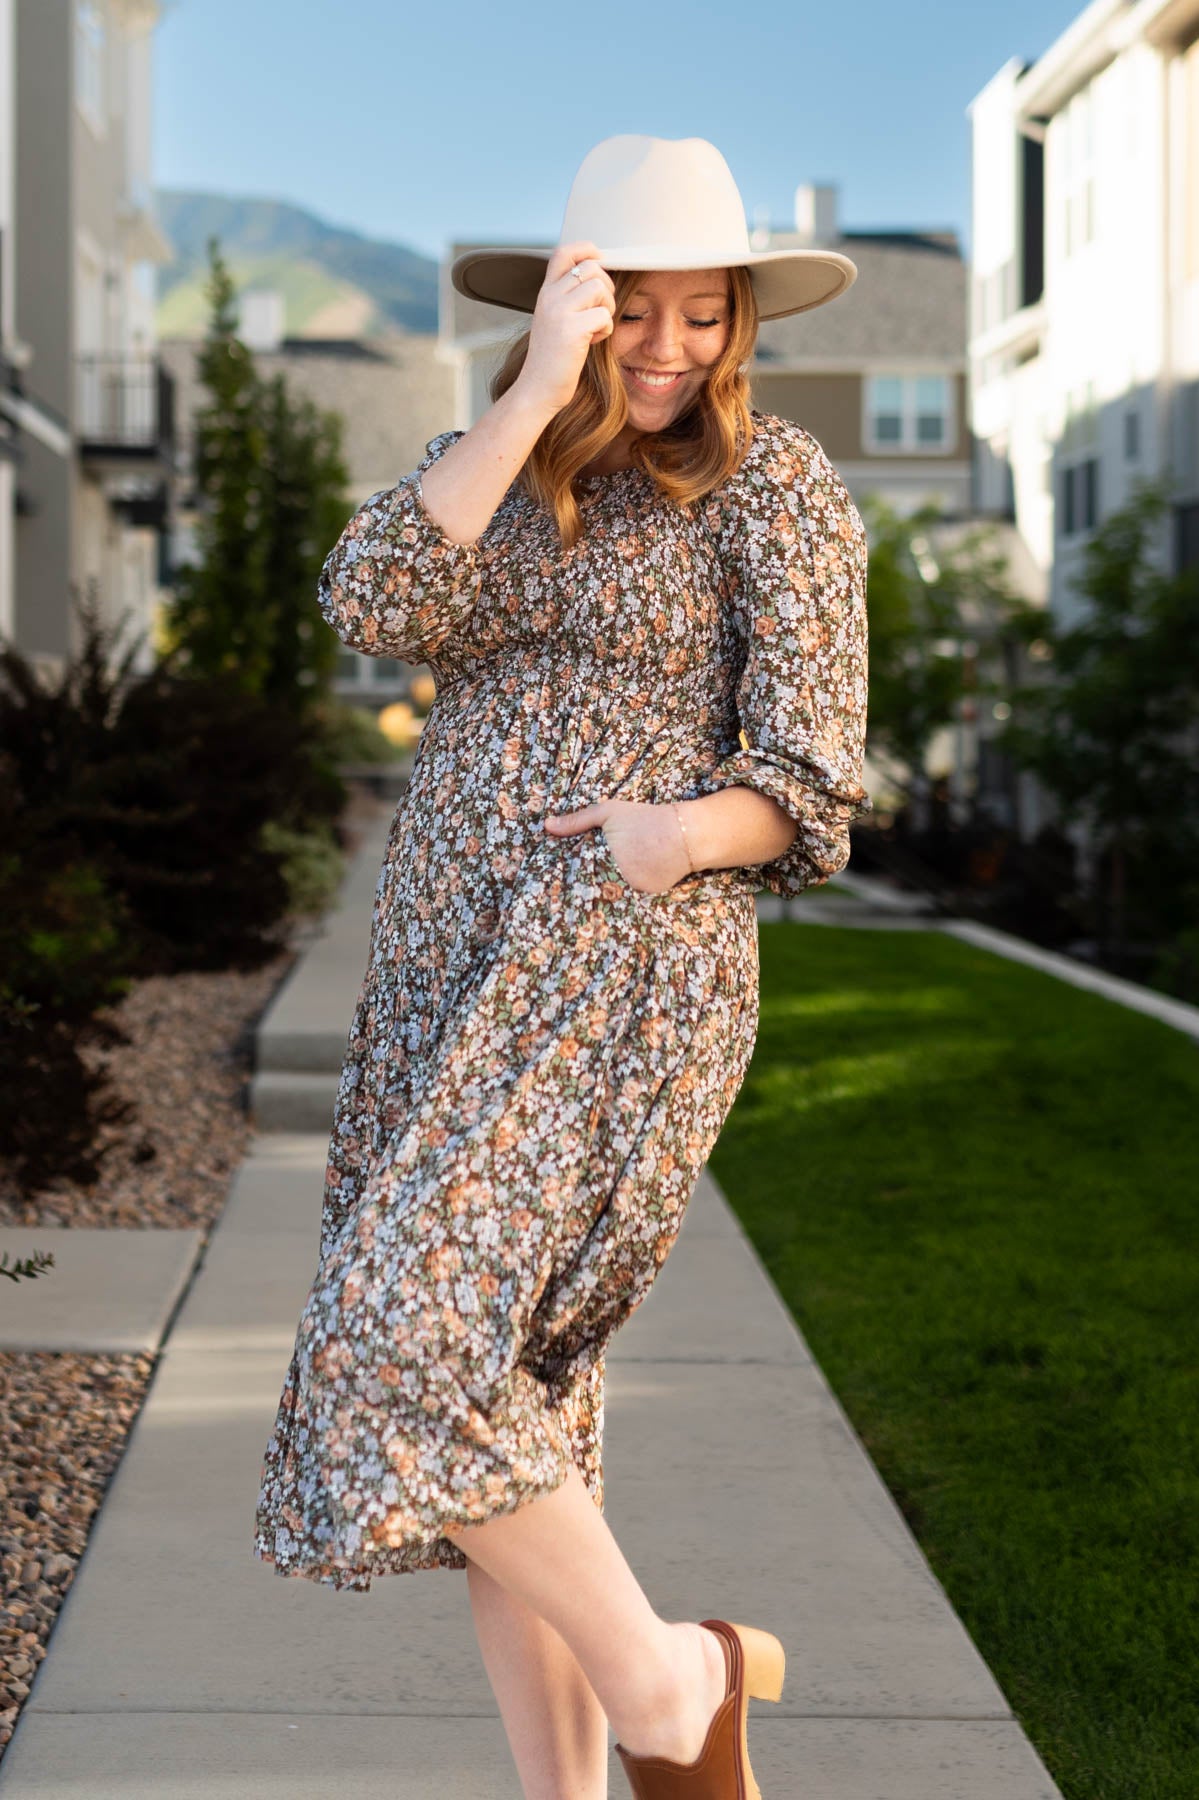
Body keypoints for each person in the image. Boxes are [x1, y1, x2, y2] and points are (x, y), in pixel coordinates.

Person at [254, 133, 871, 1798]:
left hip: (620, 971)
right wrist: (527, 398)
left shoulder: (777, 487)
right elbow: (367, 592)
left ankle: (679, 1688)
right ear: (571, 309)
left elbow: (814, 776)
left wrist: (668, 836)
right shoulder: (508, 460)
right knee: (521, 1404)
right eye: (629, 312)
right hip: (443, 979)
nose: (667, 348)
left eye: (702, 313)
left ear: (741, 319)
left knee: (404, 1345)